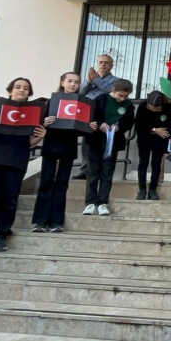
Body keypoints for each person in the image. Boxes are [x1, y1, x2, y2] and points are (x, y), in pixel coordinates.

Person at [0, 78, 46, 252]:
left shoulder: (33, 113)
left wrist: (42, 135)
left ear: (29, 93)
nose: (21, 90)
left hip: (17, 159)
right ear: (10, 90)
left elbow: (31, 142)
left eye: (25, 88)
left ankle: (2, 235)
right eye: (18, 87)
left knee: (9, 199)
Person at [32, 72, 90, 233]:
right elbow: (39, 124)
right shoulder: (51, 101)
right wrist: (45, 122)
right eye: (70, 81)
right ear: (62, 82)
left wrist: (89, 126)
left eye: (77, 82)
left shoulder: (81, 103)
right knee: (46, 182)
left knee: (62, 184)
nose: (73, 84)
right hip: (51, 146)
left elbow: (83, 129)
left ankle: (57, 222)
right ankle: (40, 221)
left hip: (68, 147)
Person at [82, 78, 135, 216]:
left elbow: (128, 122)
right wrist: (100, 124)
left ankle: (102, 203)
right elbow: (91, 115)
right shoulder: (100, 99)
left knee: (107, 173)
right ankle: (90, 203)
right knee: (93, 172)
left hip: (112, 144)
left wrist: (119, 128)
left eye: (125, 96)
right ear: (113, 90)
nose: (122, 99)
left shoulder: (129, 105)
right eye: (120, 95)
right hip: (95, 142)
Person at [74, 54, 118, 180]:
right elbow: (79, 93)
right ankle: (85, 170)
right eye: (100, 62)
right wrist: (88, 82)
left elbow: (109, 91)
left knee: (100, 144)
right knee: (86, 143)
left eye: (106, 62)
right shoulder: (91, 79)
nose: (103, 65)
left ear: (111, 65)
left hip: (102, 116)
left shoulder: (115, 80)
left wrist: (96, 80)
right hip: (86, 114)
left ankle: (97, 171)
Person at [135, 90, 171, 200]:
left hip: (160, 140)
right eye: (150, 108)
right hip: (144, 139)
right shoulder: (143, 106)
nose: (153, 110)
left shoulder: (168, 107)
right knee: (143, 163)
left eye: (156, 109)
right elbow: (139, 124)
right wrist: (154, 129)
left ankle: (153, 190)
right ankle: (142, 190)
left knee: (156, 164)